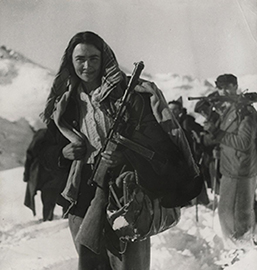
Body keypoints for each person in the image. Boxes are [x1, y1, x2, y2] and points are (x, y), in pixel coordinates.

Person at [40, 31, 199, 270]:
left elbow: (160, 143)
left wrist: (126, 155)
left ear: (104, 59)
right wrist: (63, 154)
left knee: (129, 265)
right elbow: (45, 151)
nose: (87, 65)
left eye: (94, 58)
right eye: (80, 59)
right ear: (70, 63)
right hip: (83, 196)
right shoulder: (64, 103)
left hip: (127, 194)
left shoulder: (129, 96)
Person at [204, 74, 257, 251]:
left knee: (238, 214)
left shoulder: (245, 111)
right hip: (231, 169)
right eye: (220, 87)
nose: (224, 91)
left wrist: (218, 134)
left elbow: (244, 143)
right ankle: (237, 251)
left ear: (235, 86)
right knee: (227, 213)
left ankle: (243, 252)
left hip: (241, 171)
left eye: (228, 87)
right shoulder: (231, 110)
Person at [168, 97, 209, 206]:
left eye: (175, 110)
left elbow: (199, 133)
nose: (172, 112)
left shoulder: (187, 121)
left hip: (191, 155)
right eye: (170, 110)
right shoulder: (171, 123)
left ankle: (200, 201)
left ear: (180, 111)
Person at [23, 128, 68, 221]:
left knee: (51, 195)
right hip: (48, 171)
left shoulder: (44, 133)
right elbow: (31, 153)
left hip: (50, 172)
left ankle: (51, 218)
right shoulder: (49, 133)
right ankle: (51, 218)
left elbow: (30, 154)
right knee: (51, 195)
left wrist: (27, 173)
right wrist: (27, 173)